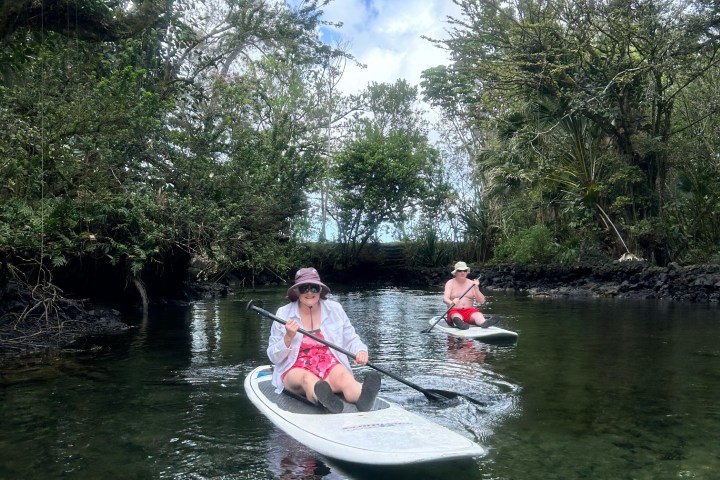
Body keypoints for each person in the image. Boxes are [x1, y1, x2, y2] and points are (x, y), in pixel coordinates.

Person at [267, 267, 381, 414]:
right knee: (308, 379)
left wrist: (360, 350)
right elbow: (273, 357)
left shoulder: (335, 309)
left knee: (344, 377)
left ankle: (363, 395)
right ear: (296, 291)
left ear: (320, 289)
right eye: (303, 288)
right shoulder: (283, 313)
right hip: (295, 368)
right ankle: (323, 397)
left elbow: (351, 338)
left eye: (314, 288)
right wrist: (288, 337)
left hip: (329, 363)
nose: (309, 292)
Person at [442, 261, 499, 330]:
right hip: (454, 310)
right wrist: (452, 302)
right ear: (455, 272)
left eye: (465, 270)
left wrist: (476, 288)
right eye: (460, 271)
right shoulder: (450, 283)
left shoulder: (472, 284)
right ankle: (459, 323)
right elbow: (445, 298)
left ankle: (484, 323)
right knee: (456, 316)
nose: (463, 272)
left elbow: (482, 301)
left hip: (469, 311)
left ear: (467, 272)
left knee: (478, 315)